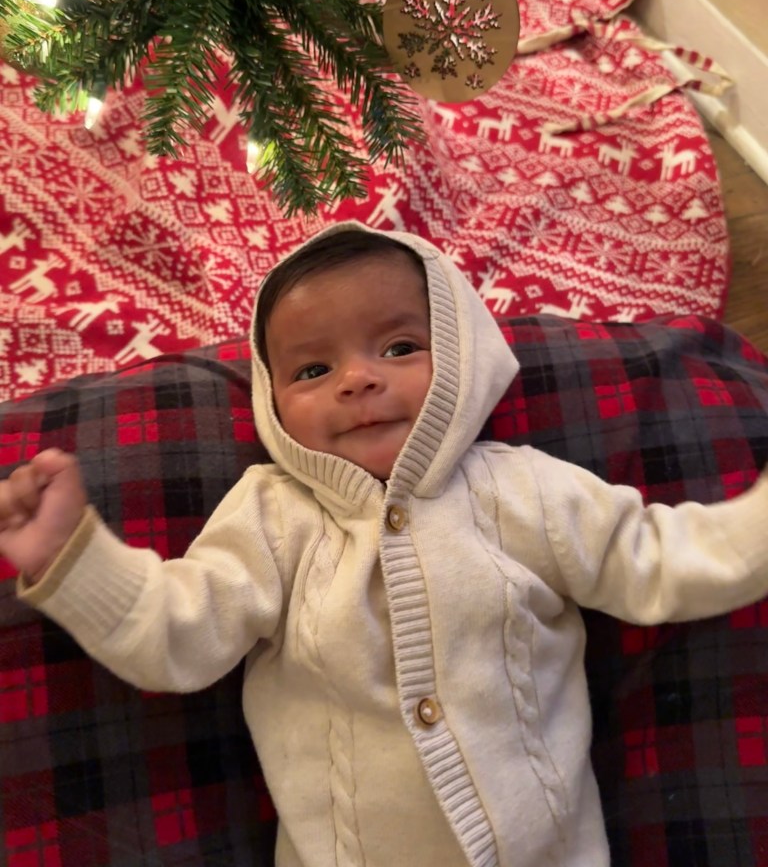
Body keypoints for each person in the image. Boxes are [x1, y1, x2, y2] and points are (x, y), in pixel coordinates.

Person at [1, 220, 767, 867]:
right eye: (313, 368)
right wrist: (74, 558)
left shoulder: (528, 489)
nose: (358, 380)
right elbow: (178, 634)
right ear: (271, 399)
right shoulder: (272, 514)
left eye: (399, 348)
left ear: (463, 356)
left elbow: (662, 558)